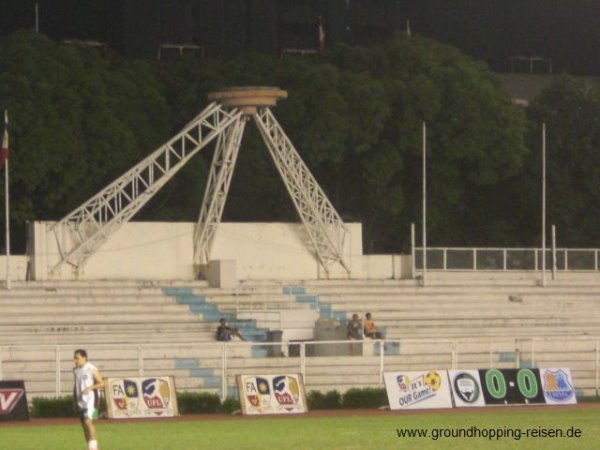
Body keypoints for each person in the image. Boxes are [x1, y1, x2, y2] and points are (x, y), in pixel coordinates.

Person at [73, 349, 104, 450]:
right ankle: (91, 446)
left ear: (84, 358)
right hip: (80, 401)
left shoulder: (91, 369)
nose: (75, 360)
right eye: (74, 358)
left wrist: (90, 388)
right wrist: (74, 399)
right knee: (84, 426)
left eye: (77, 358)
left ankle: (93, 448)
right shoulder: (75, 370)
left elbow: (102, 383)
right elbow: (76, 386)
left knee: (88, 422)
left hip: (91, 400)